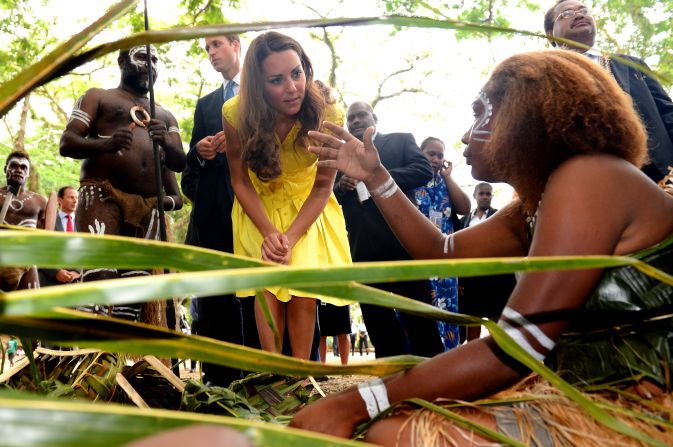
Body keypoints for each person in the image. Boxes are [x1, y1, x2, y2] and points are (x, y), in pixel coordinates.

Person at [291, 50, 673, 445]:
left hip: (641, 410)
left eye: (479, 114)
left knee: (397, 434)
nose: (465, 135)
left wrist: (356, 402)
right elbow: (440, 250)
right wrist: (376, 175)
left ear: (525, 115)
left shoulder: (588, 177)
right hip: (590, 393)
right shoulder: (532, 205)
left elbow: (516, 347)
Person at [222, 31, 351, 360]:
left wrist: (290, 237)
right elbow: (240, 181)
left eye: (297, 73)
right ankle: (276, 376)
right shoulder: (235, 113)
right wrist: (269, 233)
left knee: (302, 287)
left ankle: (301, 373)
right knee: (268, 284)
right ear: (258, 85)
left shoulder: (329, 112)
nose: (292, 87)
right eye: (276, 80)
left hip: (307, 206)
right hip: (258, 205)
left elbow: (323, 186)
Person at [59, 45, 184, 321]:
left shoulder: (164, 116)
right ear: (121, 61)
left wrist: (165, 142)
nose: (150, 65)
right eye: (142, 57)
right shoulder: (98, 97)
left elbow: (179, 164)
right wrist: (107, 143)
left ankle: (116, 359)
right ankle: (88, 356)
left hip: (148, 207)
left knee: (134, 289)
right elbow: (67, 143)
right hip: (103, 195)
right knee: (100, 276)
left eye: (154, 60)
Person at [335, 101, 444, 358]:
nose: (357, 121)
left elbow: (422, 170)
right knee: (377, 320)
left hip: (402, 242)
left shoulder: (400, 141)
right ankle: (390, 378)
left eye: (362, 115)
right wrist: (341, 185)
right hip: (364, 249)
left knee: (418, 315)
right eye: (351, 118)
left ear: (375, 118)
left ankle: (435, 373)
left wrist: (376, 175)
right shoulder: (343, 156)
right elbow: (330, 195)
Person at [180, 34, 255, 386]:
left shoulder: (263, 95)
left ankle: (259, 377)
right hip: (211, 222)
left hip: (256, 213)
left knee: (257, 296)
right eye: (206, 48)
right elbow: (188, 176)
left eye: (216, 44)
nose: (211, 53)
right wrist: (200, 152)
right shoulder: (206, 104)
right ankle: (219, 382)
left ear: (236, 44)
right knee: (214, 302)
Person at [544, 0, 673, 183]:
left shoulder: (631, 65)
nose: (580, 15)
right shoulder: (543, 76)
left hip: (658, 175)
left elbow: (668, 113)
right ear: (550, 34)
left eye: (584, 10)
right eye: (567, 13)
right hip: (587, 182)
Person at [415, 137, 470, 350]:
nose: (436, 159)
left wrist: (448, 178)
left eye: (440, 155)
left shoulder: (445, 183)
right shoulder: (412, 181)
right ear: (420, 153)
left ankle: (448, 359)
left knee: (447, 311)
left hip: (445, 261)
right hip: (417, 258)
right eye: (431, 154)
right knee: (418, 310)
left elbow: (464, 207)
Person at [458, 182, 516, 342]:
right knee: (472, 320)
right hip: (471, 280)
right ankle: (472, 357)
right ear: (475, 196)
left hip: (495, 278)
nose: (485, 197)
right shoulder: (464, 220)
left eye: (488, 194)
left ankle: (501, 356)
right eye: (482, 193)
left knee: (497, 322)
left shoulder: (500, 217)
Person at [0, 151, 46, 292]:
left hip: (26, 259)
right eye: (13, 166)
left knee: (30, 310)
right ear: (5, 169)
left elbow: (44, 233)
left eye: (23, 167)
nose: (18, 170)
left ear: (28, 172)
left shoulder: (40, 201)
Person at [38, 186, 81, 287]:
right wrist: (55, 272)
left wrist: (78, 271)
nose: (75, 201)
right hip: (48, 282)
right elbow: (39, 250)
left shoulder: (83, 223)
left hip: (75, 283)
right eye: (71, 197)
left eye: (77, 198)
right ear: (59, 200)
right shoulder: (45, 221)